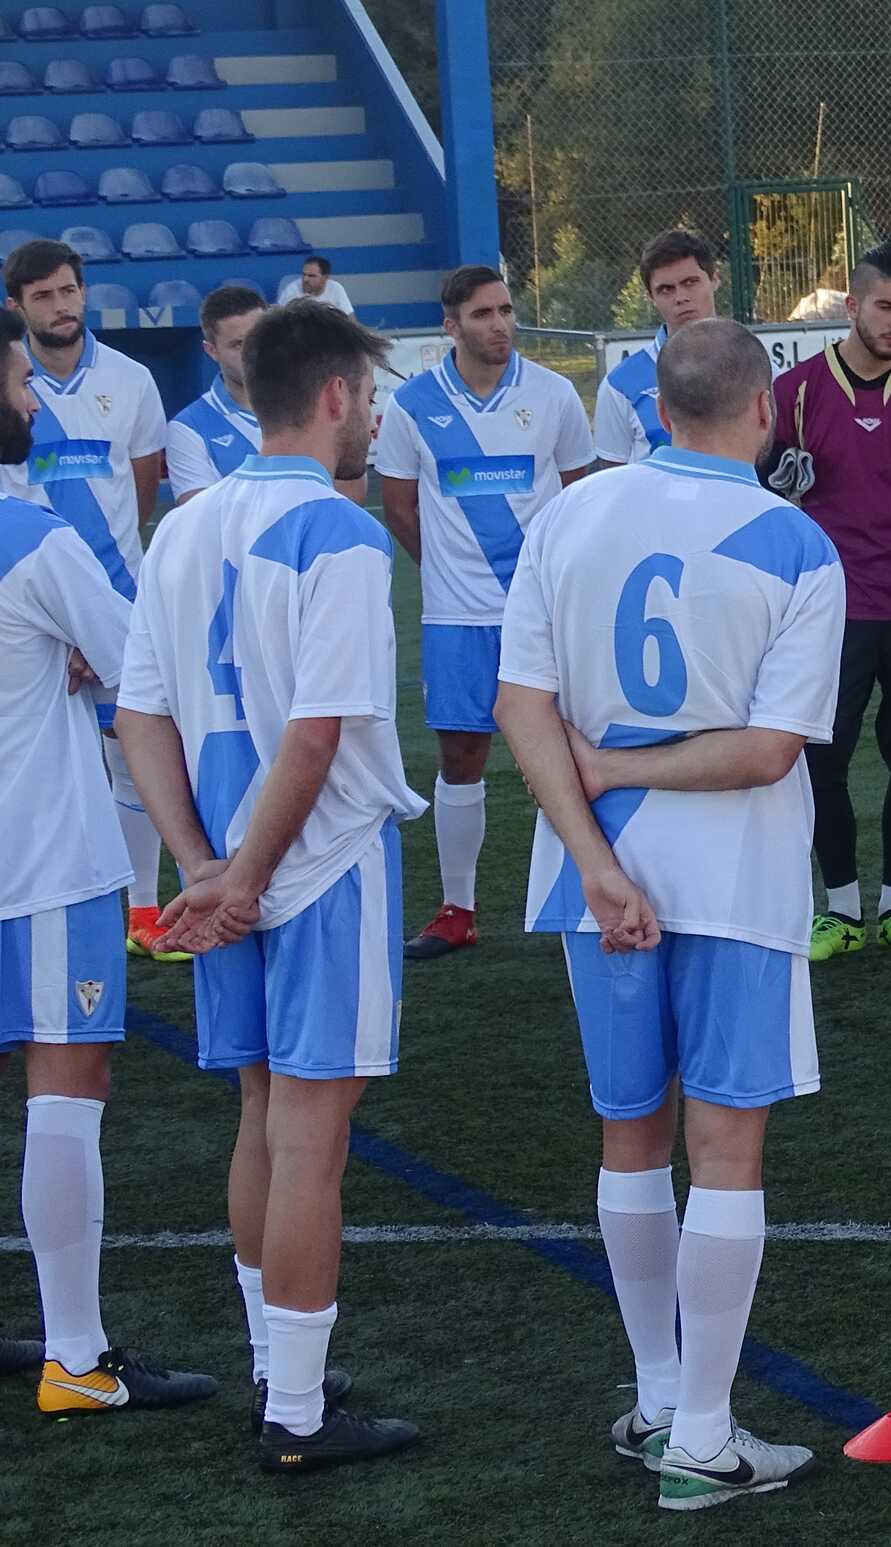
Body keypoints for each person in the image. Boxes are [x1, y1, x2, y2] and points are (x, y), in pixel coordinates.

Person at [494, 318, 839, 1508]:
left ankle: (656, 1397)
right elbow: (768, 750)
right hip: (736, 876)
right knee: (725, 1145)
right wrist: (626, 771)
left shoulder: (569, 515)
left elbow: (522, 705)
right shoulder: (796, 542)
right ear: (764, 408)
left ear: (654, 405)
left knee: (629, 1134)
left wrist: (594, 853)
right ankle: (700, 1431)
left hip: (592, 873)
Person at [116, 299, 427, 1467]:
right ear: (335, 395)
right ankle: (296, 1413)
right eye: (371, 397)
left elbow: (140, 714)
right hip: (321, 865)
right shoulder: (339, 531)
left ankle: (274, 1366)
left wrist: (199, 863)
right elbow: (317, 732)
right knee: (309, 1137)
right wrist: (243, 874)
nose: (375, 419)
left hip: (224, 868)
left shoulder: (184, 523)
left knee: (260, 1112)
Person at [0, 303, 218, 1416]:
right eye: (16, 380)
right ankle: (76, 1358)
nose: (31, 401)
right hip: (40, 856)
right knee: (68, 1082)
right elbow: (139, 662)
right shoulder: (31, 536)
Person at [376, 265, 594, 962]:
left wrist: (544, 587)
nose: (500, 324)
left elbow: (579, 500)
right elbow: (400, 509)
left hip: (544, 614)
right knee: (461, 756)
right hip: (457, 618)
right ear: (451, 326)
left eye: (505, 309)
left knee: (569, 749)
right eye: (482, 314)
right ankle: (457, 909)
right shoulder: (411, 405)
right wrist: (448, 575)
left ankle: (586, 889)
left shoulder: (553, 393)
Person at [763, 240, 891, 963]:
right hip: (830, 612)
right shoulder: (793, 394)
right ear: (851, 305)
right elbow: (764, 492)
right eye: (886, 307)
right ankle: (842, 908)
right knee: (823, 762)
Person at [1, 239, 173, 962]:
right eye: (42, 296)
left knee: (135, 750)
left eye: (68, 290)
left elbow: (142, 484)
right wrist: (63, 610)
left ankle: (143, 907)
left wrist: (100, 600)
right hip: (32, 609)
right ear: (17, 306)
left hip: (115, 597)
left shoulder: (131, 379)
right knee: (48, 756)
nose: (60, 305)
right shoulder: (11, 384)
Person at [594, 230, 722, 469]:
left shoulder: (758, 366)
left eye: (690, 283)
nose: (680, 297)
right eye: (666, 289)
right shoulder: (619, 386)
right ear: (650, 297)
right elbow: (612, 479)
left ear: (714, 279)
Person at [166, 285, 268, 502]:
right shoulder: (188, 428)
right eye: (238, 344)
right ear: (212, 351)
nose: (253, 353)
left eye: (260, 338)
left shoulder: (310, 406)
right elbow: (199, 515)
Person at [274, 256, 354, 314]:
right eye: (304, 274)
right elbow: (278, 320)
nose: (305, 279)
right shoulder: (292, 290)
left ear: (325, 277)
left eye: (311, 276)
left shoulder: (336, 288)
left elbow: (350, 319)